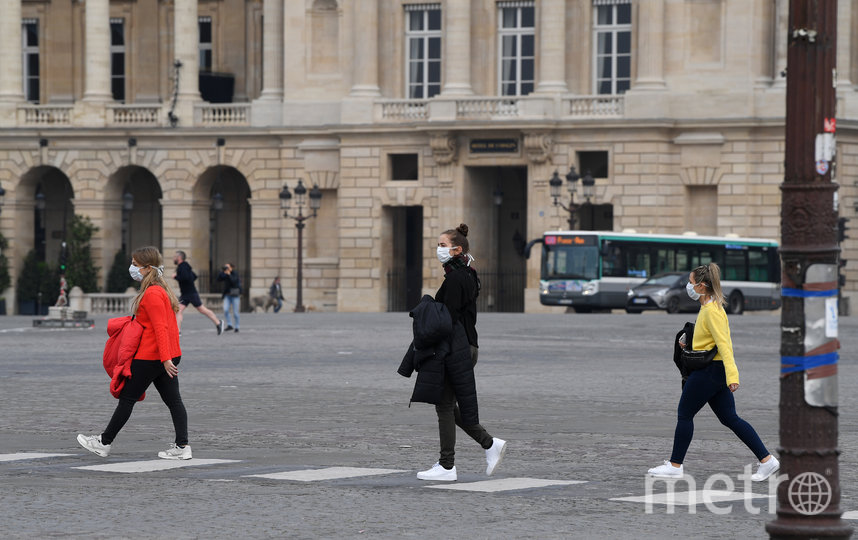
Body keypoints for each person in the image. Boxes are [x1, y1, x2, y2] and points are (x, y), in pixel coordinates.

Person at [647, 262, 779, 481]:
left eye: (690, 283)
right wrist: (687, 343)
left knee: (685, 414)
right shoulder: (709, 307)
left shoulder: (712, 311)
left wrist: (733, 376)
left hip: (710, 371)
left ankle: (675, 465)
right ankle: (767, 461)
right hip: (714, 370)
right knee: (730, 418)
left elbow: (725, 344)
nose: (688, 287)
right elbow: (708, 340)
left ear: (701, 286)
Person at [77, 246, 192, 460]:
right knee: (174, 401)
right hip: (164, 355)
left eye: (135, 265)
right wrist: (169, 357)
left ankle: (103, 442)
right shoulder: (161, 290)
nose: (133, 268)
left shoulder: (152, 293)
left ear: (148, 268)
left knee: (127, 399)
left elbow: (160, 328)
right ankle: (182, 446)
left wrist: (166, 359)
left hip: (152, 356)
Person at [416, 223, 507, 482]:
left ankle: (447, 466)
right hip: (464, 345)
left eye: (443, 245)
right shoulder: (465, 273)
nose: (439, 249)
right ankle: (489, 444)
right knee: (445, 403)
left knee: (444, 405)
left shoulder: (457, 278)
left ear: (457, 250)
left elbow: (448, 318)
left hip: (457, 347)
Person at [173, 250, 225, 335]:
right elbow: (194, 276)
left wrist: (176, 277)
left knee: (202, 309)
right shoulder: (185, 266)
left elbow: (185, 278)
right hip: (187, 293)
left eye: (175, 257)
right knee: (179, 311)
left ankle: (218, 323)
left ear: (179, 258)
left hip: (190, 293)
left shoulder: (183, 266)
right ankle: (178, 331)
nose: (173, 259)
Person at [217, 262, 241, 332]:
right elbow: (218, 279)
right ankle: (230, 324)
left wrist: (229, 274)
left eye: (228, 267)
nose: (227, 268)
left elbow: (234, 281)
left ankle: (237, 326)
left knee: (236, 312)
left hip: (235, 295)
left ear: (231, 267)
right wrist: (223, 272)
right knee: (226, 310)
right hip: (227, 295)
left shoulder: (235, 273)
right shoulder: (225, 274)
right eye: (226, 267)